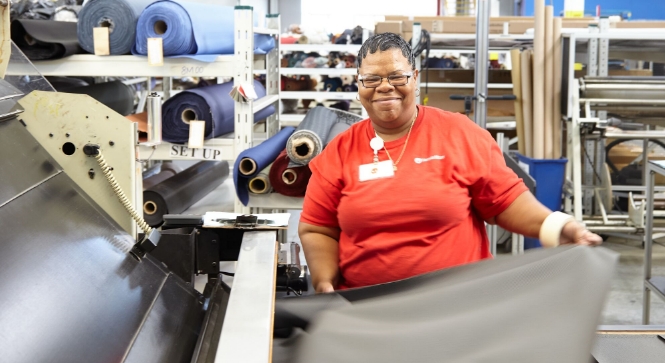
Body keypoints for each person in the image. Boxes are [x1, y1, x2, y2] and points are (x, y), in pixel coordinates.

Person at [298, 32, 602, 293]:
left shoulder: (459, 134)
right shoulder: (339, 152)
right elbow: (317, 228)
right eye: (372, 79)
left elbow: (505, 201)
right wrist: (325, 282)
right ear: (359, 84)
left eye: (396, 76)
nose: (384, 86)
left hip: (457, 306)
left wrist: (556, 226)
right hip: (366, 310)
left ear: (414, 78)